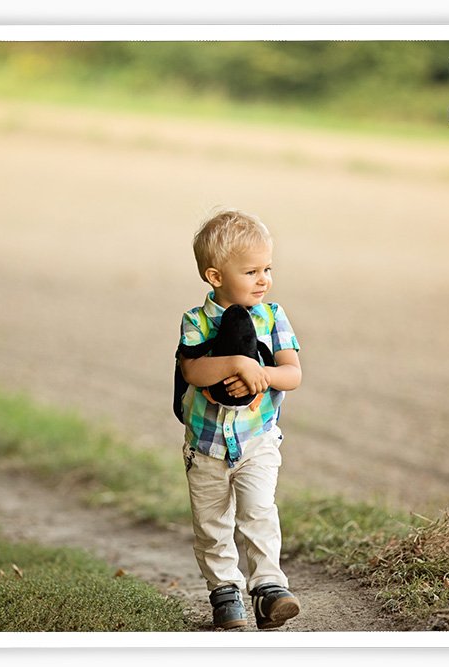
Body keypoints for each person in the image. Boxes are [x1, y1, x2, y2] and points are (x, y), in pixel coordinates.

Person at [175, 208, 303, 631]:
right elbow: (193, 371)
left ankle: (269, 588)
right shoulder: (196, 321)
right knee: (212, 524)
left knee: (259, 511)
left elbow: (293, 373)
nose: (264, 278)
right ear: (215, 277)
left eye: (268, 268)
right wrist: (236, 362)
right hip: (207, 448)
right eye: (251, 271)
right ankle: (225, 591)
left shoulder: (272, 317)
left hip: (257, 442)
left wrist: (262, 373)